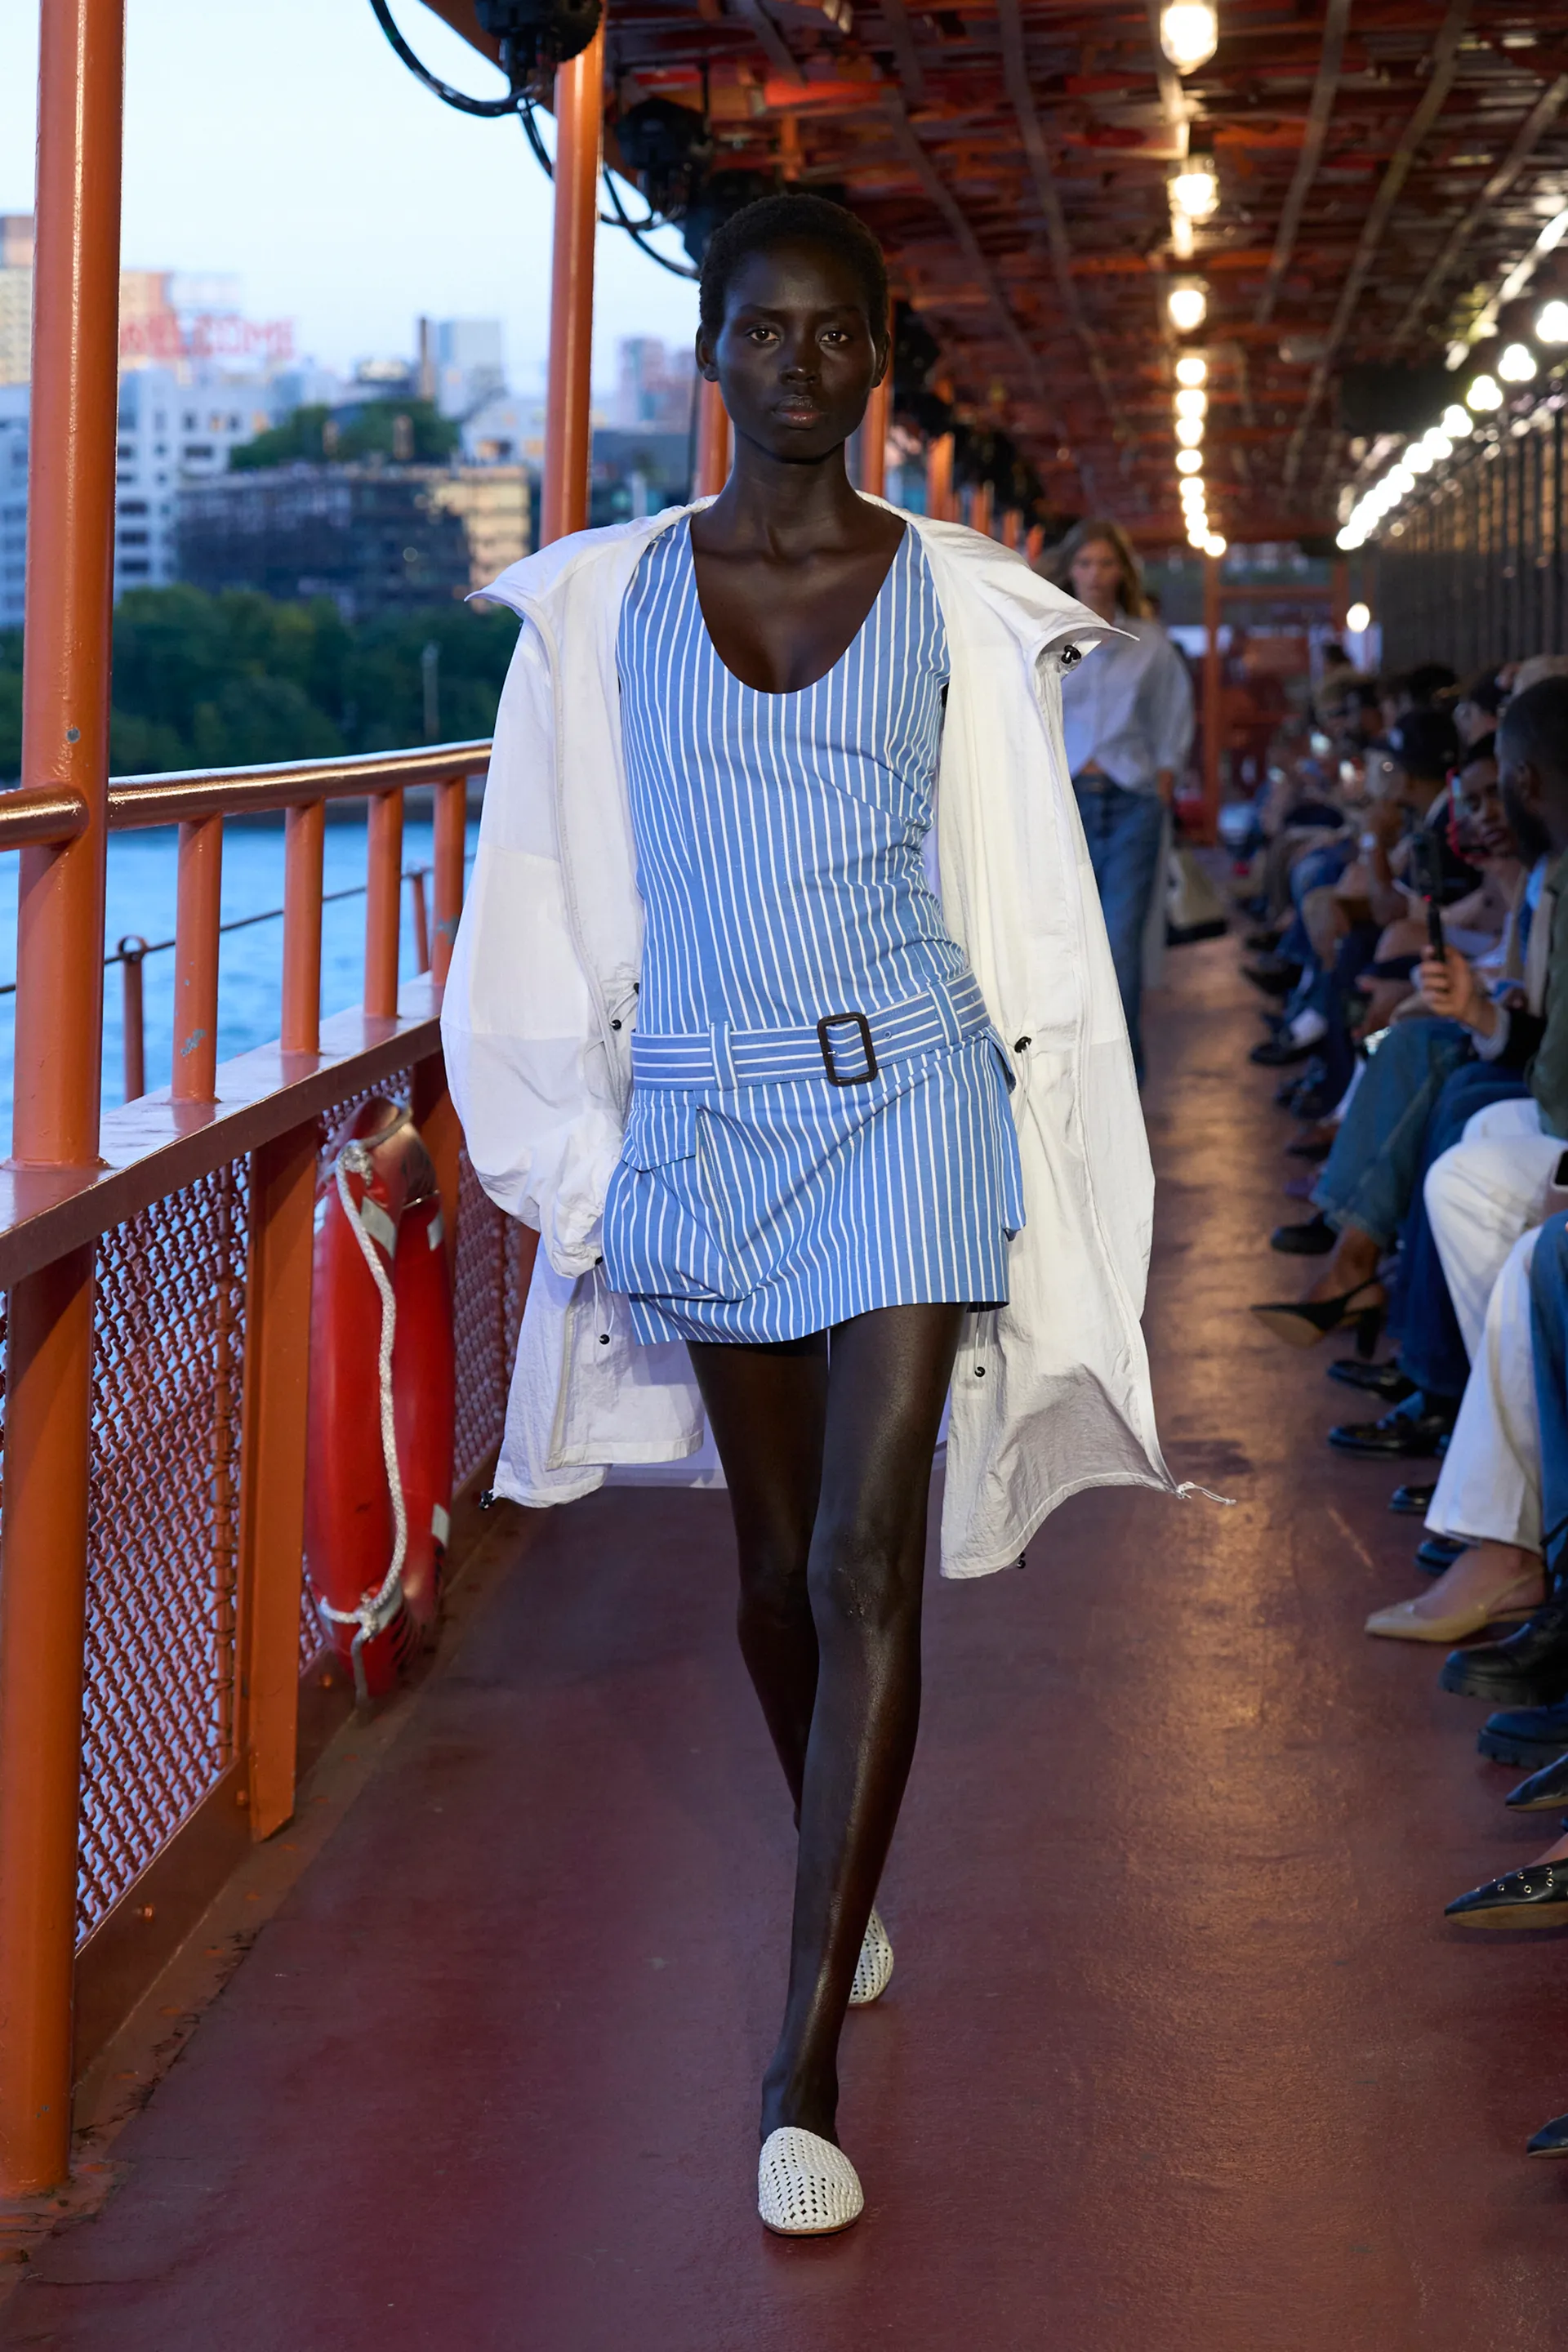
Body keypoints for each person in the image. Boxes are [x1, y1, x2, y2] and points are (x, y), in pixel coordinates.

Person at [442, 194, 1176, 2237]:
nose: (793, 364)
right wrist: (580, 1170)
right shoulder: (599, 615)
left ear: (871, 363)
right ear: (713, 357)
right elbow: (530, 910)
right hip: (705, 1121)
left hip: (915, 1106)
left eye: (830, 333)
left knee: (864, 1556)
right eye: (759, 330)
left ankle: (797, 2058)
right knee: (770, 1571)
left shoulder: (951, 600)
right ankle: (832, 1862)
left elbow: (1013, 897)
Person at [1045, 516, 1193, 1083]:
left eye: (1106, 563)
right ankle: (1070, 1071)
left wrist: (1163, 779)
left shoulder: (1147, 643)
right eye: (1085, 563)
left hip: (1131, 799)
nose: (1095, 574)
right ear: (1069, 570)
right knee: (1063, 938)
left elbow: (1172, 716)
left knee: (1120, 940)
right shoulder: (1047, 636)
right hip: (1066, 799)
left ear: (1121, 572)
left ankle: (1121, 1075)